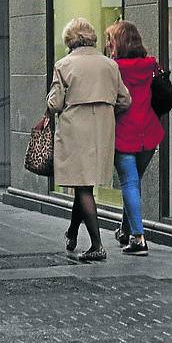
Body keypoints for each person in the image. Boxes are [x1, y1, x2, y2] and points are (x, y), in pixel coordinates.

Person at [47, 17, 131, 262]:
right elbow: (125, 100)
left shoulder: (64, 65)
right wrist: (105, 111)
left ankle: (96, 245)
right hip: (102, 129)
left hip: (75, 128)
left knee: (82, 185)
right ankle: (72, 232)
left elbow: (55, 103)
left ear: (69, 40)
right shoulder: (109, 65)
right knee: (84, 185)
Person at [106, 21, 165, 256]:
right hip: (149, 133)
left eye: (110, 40)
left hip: (124, 133)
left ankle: (138, 238)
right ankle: (124, 229)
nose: (108, 44)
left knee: (129, 184)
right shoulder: (151, 65)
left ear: (119, 43)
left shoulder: (114, 69)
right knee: (134, 183)